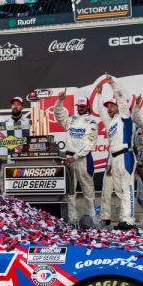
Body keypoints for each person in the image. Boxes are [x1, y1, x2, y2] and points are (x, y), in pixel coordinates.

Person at [94, 75, 143, 230]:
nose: (109, 108)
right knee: (118, 189)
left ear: (117, 107)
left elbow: (122, 100)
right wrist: (98, 94)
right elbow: (101, 111)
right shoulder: (110, 123)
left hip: (126, 155)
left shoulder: (124, 117)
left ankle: (128, 220)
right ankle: (125, 217)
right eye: (108, 106)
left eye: (112, 105)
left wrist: (113, 85)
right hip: (115, 158)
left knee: (127, 187)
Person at [54, 90, 99, 224]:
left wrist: (75, 157)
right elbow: (58, 114)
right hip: (69, 159)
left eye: (83, 106)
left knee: (88, 191)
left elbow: (89, 144)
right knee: (70, 192)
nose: (80, 108)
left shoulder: (92, 122)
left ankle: (92, 220)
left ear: (88, 107)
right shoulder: (71, 119)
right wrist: (60, 101)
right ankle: (72, 219)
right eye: (78, 106)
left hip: (83, 160)